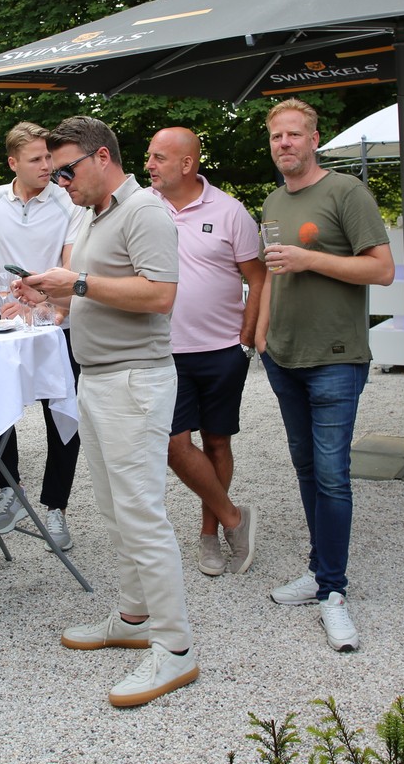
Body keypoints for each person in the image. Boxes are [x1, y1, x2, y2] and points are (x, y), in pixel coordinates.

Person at [13, 115, 196, 708]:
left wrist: (78, 284)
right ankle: (134, 617)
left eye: (66, 169)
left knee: (141, 513)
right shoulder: (94, 215)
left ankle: (176, 649)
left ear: (100, 157)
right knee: (116, 511)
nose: (58, 181)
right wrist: (50, 294)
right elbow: (95, 292)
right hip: (97, 378)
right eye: (53, 171)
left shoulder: (144, 211)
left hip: (134, 381)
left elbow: (160, 295)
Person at [257, 98, 393, 653]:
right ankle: (319, 572)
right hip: (283, 355)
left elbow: (382, 269)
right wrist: (261, 335)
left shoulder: (346, 192)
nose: (284, 143)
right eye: (276, 136)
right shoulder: (272, 200)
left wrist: (310, 258)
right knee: (308, 470)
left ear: (315, 139)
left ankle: (334, 591)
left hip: (336, 356)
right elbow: (271, 273)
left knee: (333, 476)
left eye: (294, 134)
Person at [145, 126, 265, 577]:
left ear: (187, 164)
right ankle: (235, 517)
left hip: (222, 350)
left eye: (158, 158)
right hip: (163, 349)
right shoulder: (141, 208)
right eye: (149, 156)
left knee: (217, 441)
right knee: (173, 444)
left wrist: (246, 337)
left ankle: (210, 533)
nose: (149, 165)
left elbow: (257, 277)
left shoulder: (230, 211)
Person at [0, 123, 84, 550]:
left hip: (58, 326)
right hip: (6, 326)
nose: (48, 165)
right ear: (13, 163)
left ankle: (56, 509)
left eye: (49, 156)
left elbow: (70, 267)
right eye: (37, 159)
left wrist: (45, 308)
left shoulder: (68, 200)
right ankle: (7, 490)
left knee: (62, 419)